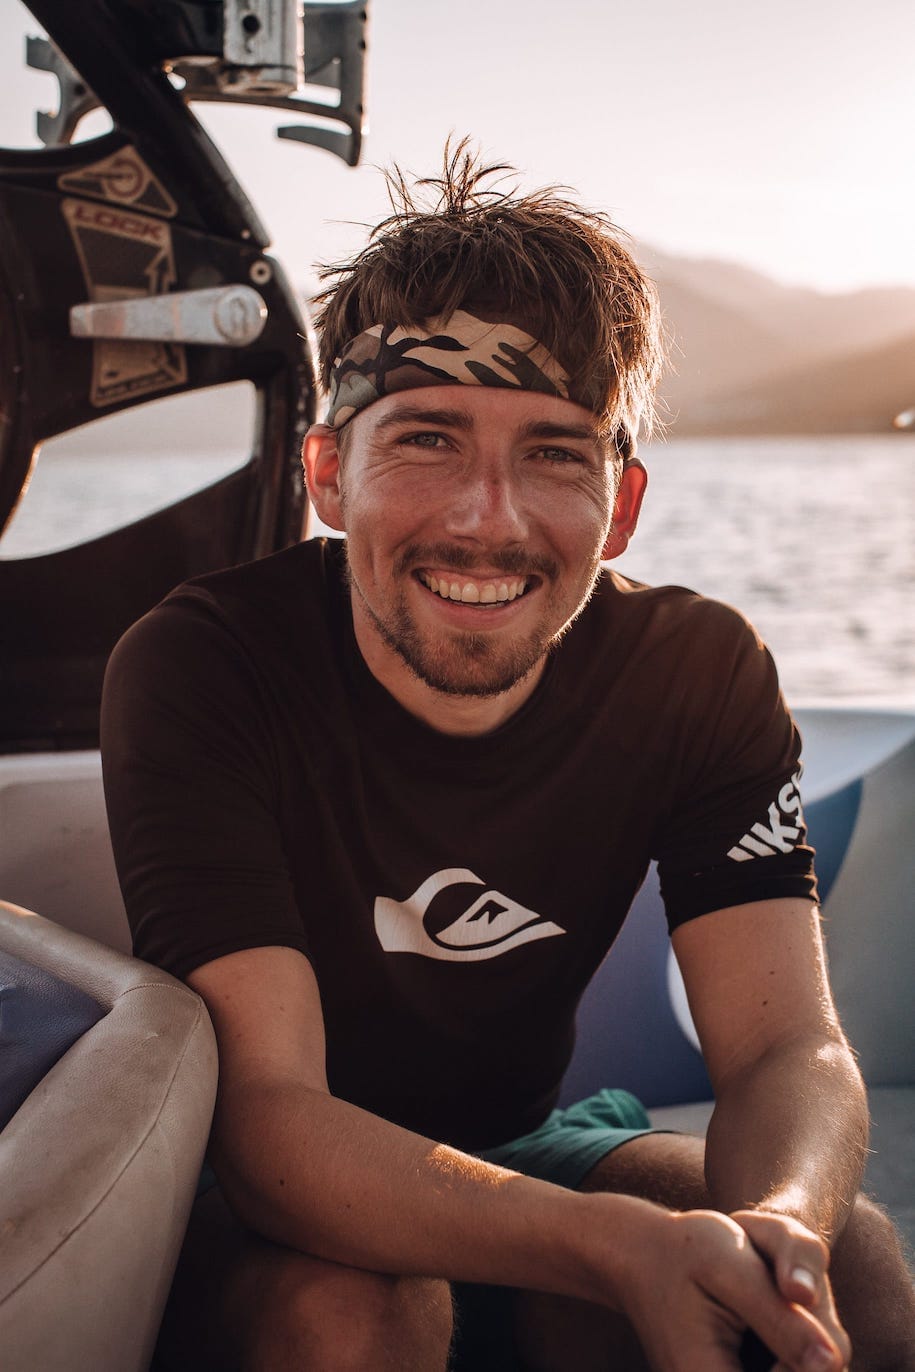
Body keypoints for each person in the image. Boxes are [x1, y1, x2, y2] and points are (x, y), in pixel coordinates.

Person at [101, 145, 915, 1372]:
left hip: (528, 1144)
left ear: (622, 505)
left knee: (848, 1263)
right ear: (328, 473)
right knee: (354, 1319)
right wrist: (611, 1246)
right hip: (267, 1196)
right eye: (427, 439)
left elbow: (784, 1049)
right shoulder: (210, 665)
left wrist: (775, 1229)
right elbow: (270, 1121)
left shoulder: (695, 672)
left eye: (554, 453)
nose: (490, 519)